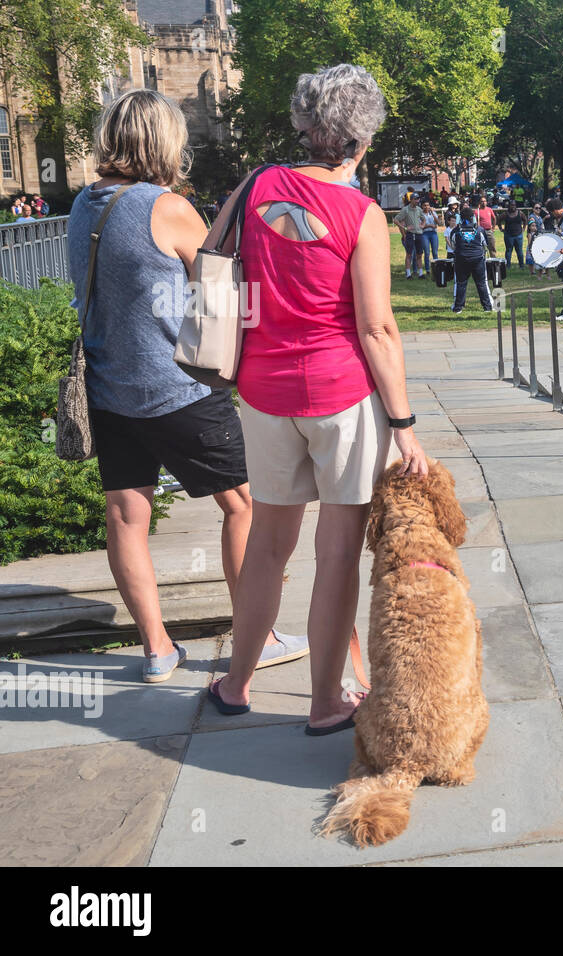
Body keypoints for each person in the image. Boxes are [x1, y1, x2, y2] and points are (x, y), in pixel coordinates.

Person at [206, 64, 429, 732]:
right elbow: (376, 328)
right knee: (336, 554)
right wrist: (406, 425)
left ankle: (237, 681)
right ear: (362, 140)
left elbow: (210, 260)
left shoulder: (254, 186)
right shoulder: (362, 215)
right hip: (342, 396)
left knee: (268, 548)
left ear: (303, 123)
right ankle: (326, 701)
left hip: (264, 393)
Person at [69, 89, 298, 684]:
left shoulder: (83, 205)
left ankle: (157, 650)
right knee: (241, 503)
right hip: (179, 388)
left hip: (109, 387)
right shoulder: (167, 208)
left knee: (126, 516)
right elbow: (222, 293)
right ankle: (262, 635)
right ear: (165, 140)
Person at [450, 206, 493, 313]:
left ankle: (458, 308)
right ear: (472, 217)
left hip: (461, 260)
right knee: (481, 283)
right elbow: (485, 245)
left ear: (460, 217)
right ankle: (487, 307)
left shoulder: (455, 231)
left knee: (461, 284)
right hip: (478, 260)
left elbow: (453, 246)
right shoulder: (480, 230)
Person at [419, 201, 440, 275]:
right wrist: (429, 225)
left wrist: (433, 213)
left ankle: (436, 268)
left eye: (428, 205)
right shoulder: (420, 214)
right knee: (427, 252)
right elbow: (420, 226)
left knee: (435, 252)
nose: (427, 207)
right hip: (425, 234)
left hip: (433, 233)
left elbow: (438, 223)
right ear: (422, 206)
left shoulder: (433, 213)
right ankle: (428, 269)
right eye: (425, 205)